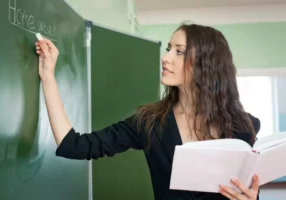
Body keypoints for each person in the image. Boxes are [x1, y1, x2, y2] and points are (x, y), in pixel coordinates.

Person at [35, 23, 261, 200]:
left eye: (179, 52)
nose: (166, 57)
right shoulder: (150, 122)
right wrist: (47, 77)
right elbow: (74, 145)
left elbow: (248, 190)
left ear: (206, 64)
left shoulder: (243, 127)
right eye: (169, 49)